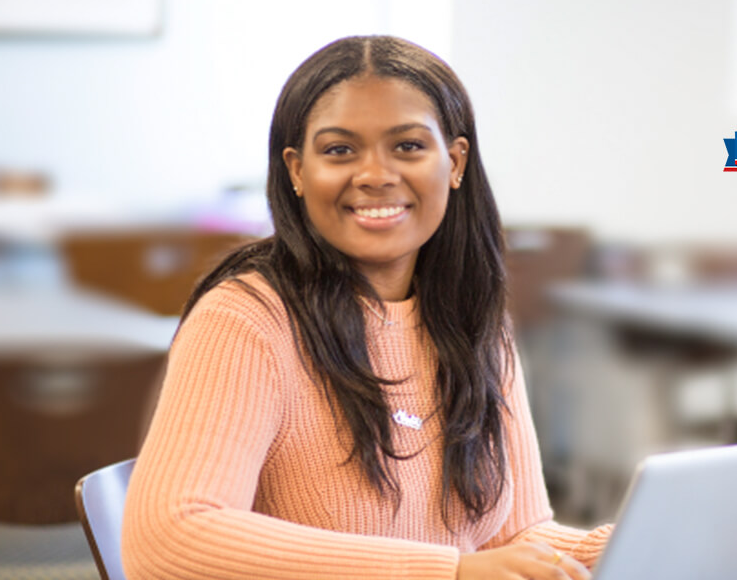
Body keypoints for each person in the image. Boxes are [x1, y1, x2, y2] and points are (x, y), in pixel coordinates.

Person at [121, 35, 611, 580]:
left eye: (407, 147)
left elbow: (513, 538)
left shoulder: (475, 318)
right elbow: (169, 539)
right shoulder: (245, 319)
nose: (376, 174)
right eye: (339, 150)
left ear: (454, 162)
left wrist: (622, 544)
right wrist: (449, 572)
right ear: (296, 171)